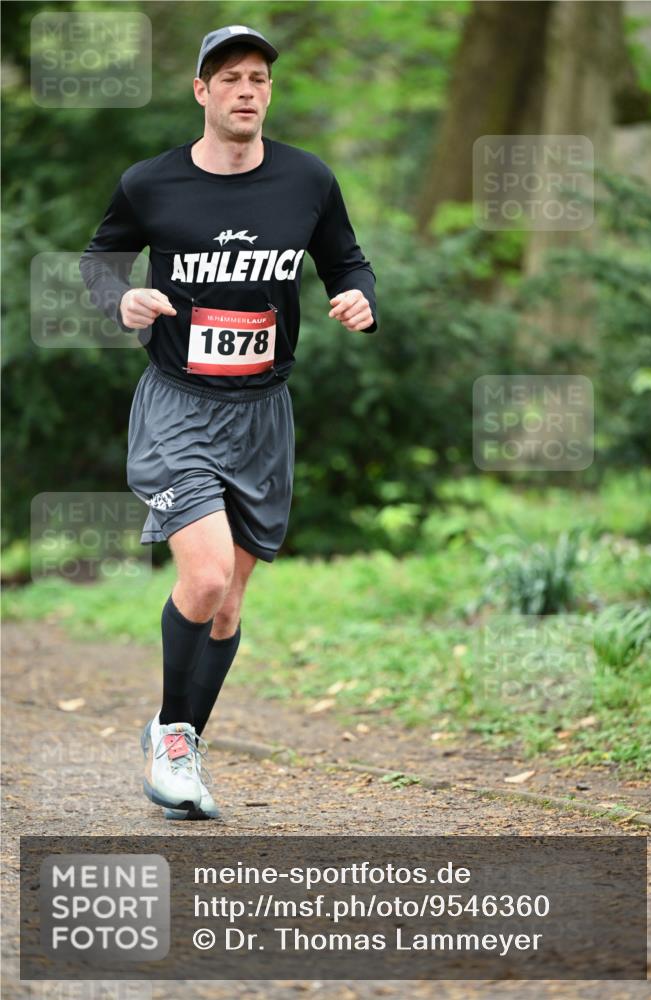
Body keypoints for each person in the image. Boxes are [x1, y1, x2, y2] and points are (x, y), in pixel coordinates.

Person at [79, 25, 378, 820]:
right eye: (230, 77)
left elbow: (345, 260)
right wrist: (124, 300)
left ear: (267, 92)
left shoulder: (307, 179)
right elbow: (99, 262)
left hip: (263, 414)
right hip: (179, 404)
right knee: (205, 576)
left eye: (258, 78)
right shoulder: (151, 183)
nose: (247, 90)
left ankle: (180, 737)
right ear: (201, 92)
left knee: (231, 600)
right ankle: (173, 738)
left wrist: (360, 298)